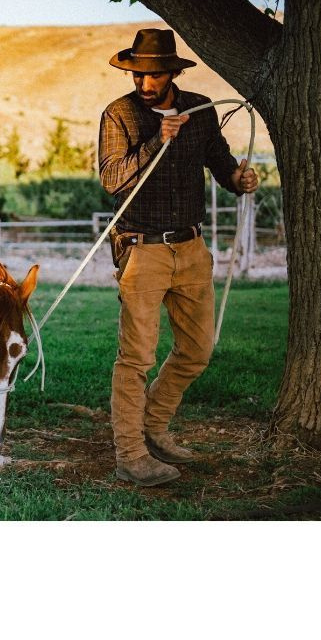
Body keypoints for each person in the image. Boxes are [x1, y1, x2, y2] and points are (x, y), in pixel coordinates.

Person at [96, 29, 261, 485]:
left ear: (172, 73)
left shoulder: (201, 110)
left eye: (154, 75)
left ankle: (154, 427)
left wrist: (239, 180)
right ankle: (130, 455)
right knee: (136, 358)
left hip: (191, 248)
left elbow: (221, 163)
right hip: (141, 249)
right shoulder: (119, 115)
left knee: (197, 350)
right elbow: (112, 179)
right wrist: (156, 141)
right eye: (137, 75)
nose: (144, 83)